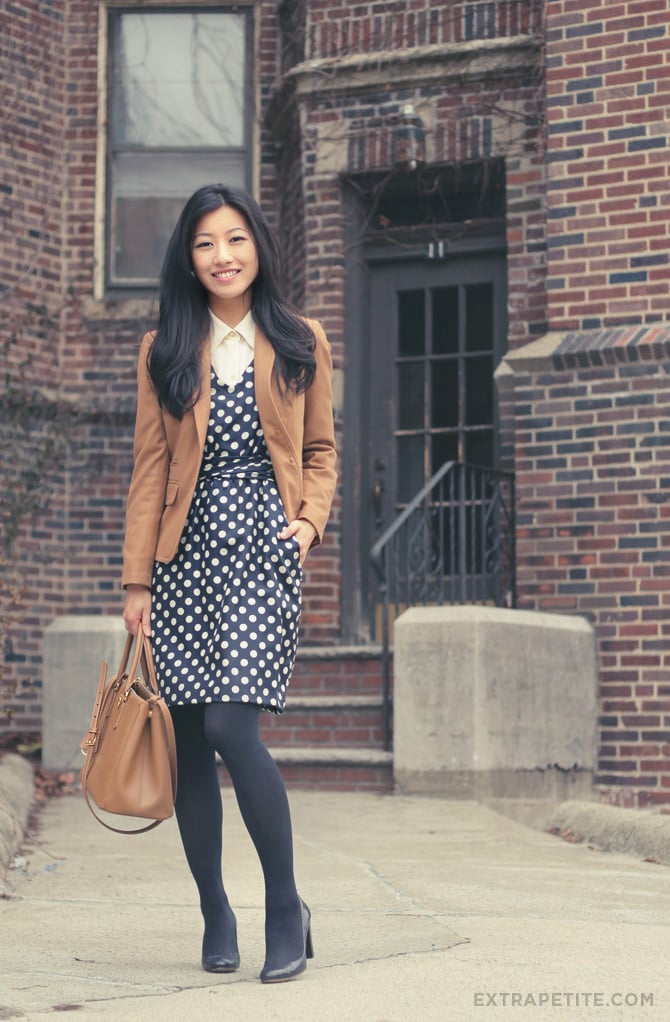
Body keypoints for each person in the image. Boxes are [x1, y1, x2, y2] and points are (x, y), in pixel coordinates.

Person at [121, 184, 337, 983]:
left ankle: (287, 905)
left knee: (231, 728)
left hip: (261, 551)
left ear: (258, 247)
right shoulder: (164, 348)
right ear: (190, 255)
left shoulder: (299, 337)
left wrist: (308, 524)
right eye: (206, 242)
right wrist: (136, 579)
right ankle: (215, 905)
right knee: (184, 745)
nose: (223, 255)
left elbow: (320, 452)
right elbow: (150, 469)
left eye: (236, 238)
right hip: (181, 558)